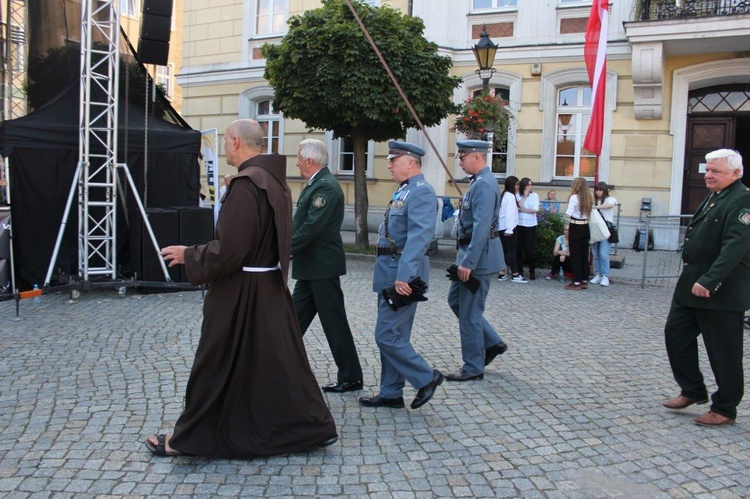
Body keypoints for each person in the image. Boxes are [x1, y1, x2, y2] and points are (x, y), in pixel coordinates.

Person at [146, 119, 337, 458]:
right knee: (277, 363)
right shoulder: (275, 183)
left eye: (225, 142)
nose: (224, 149)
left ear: (234, 141)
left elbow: (232, 249)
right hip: (268, 289)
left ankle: (188, 438)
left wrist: (190, 254)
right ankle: (310, 426)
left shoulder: (248, 184)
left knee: (215, 361)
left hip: (242, 292)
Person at [663, 149, 750, 426]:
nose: (709, 176)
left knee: (724, 352)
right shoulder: (716, 196)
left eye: (716, 171)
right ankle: (692, 389)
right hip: (691, 285)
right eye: (707, 170)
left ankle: (725, 408)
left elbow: (735, 246)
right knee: (675, 335)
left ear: (736, 173)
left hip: (720, 290)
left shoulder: (742, 199)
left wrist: (711, 280)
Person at [359, 140, 444, 410]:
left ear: (410, 162)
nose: (389, 165)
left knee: (386, 334)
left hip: (402, 274)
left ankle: (426, 377)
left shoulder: (421, 192)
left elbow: (419, 238)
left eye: (393, 160)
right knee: (396, 334)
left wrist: (405, 277)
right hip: (390, 269)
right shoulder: (404, 191)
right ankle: (391, 392)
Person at [291, 139, 364, 393]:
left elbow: (311, 228)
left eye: (299, 158)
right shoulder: (317, 184)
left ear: (309, 161)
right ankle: (274, 368)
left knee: (334, 324)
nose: (297, 163)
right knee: (291, 321)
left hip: (322, 267)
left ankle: (351, 376)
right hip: (311, 268)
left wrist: (284, 251)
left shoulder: (327, 187)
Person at [446, 140, 508, 382]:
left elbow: (482, 227)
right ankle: (492, 342)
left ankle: (473, 366)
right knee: (456, 301)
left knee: (470, 313)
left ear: (477, 157)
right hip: (471, 254)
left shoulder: (483, 185)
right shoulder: (478, 183)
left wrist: (469, 262)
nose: (460, 162)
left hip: (478, 258)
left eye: (463, 157)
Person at [563, 177, 593, 290]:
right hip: (586, 226)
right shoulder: (588, 197)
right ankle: (584, 279)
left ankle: (576, 281)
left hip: (576, 226)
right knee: (584, 254)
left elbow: (568, 214)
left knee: (575, 255)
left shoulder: (574, 197)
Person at [590, 182, 617, 287]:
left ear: (604, 191)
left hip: (606, 229)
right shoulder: (594, 200)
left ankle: (605, 276)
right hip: (595, 228)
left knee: (603, 253)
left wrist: (596, 207)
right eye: (597, 190)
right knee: (595, 254)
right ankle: (597, 274)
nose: (598, 192)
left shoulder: (609, 199)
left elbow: (609, 205)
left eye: (600, 190)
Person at [497, 176, 523, 282]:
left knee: (503, 251)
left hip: (502, 227)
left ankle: (502, 273)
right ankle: (515, 274)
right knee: (511, 252)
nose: (518, 187)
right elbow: (510, 214)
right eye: (517, 184)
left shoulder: (504, 195)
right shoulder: (510, 196)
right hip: (508, 227)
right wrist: (509, 229)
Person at [515, 177, 540, 280]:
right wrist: (524, 197)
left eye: (531, 185)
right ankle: (519, 271)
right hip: (519, 224)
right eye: (528, 185)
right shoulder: (517, 195)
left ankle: (532, 270)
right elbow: (517, 207)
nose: (530, 187)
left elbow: (535, 209)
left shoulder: (534, 196)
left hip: (530, 225)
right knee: (518, 249)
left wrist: (523, 210)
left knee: (530, 250)